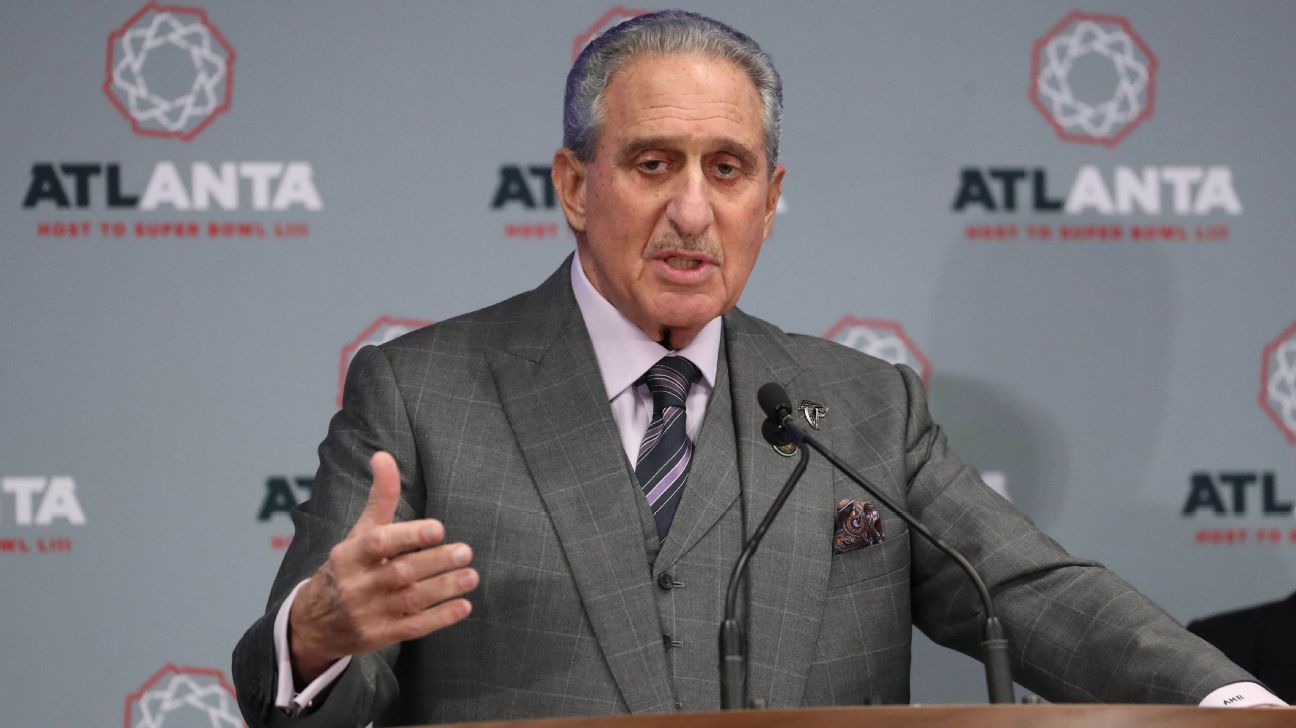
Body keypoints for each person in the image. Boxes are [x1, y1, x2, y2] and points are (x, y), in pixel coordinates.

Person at [232, 10, 1284, 726]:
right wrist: (316, 635)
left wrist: (1233, 705)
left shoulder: (863, 407)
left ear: (770, 200)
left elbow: (1031, 590)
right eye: (654, 163)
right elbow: (301, 679)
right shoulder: (422, 394)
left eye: (726, 169)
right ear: (572, 183)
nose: (693, 209)